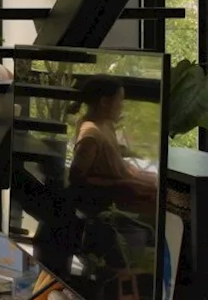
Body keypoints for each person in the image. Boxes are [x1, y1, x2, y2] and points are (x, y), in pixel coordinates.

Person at [65, 76, 158, 216]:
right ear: (104, 102)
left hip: (125, 185)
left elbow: (109, 158)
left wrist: (131, 170)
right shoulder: (90, 135)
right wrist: (124, 184)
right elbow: (77, 180)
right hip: (118, 198)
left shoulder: (106, 123)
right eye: (120, 100)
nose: (122, 106)